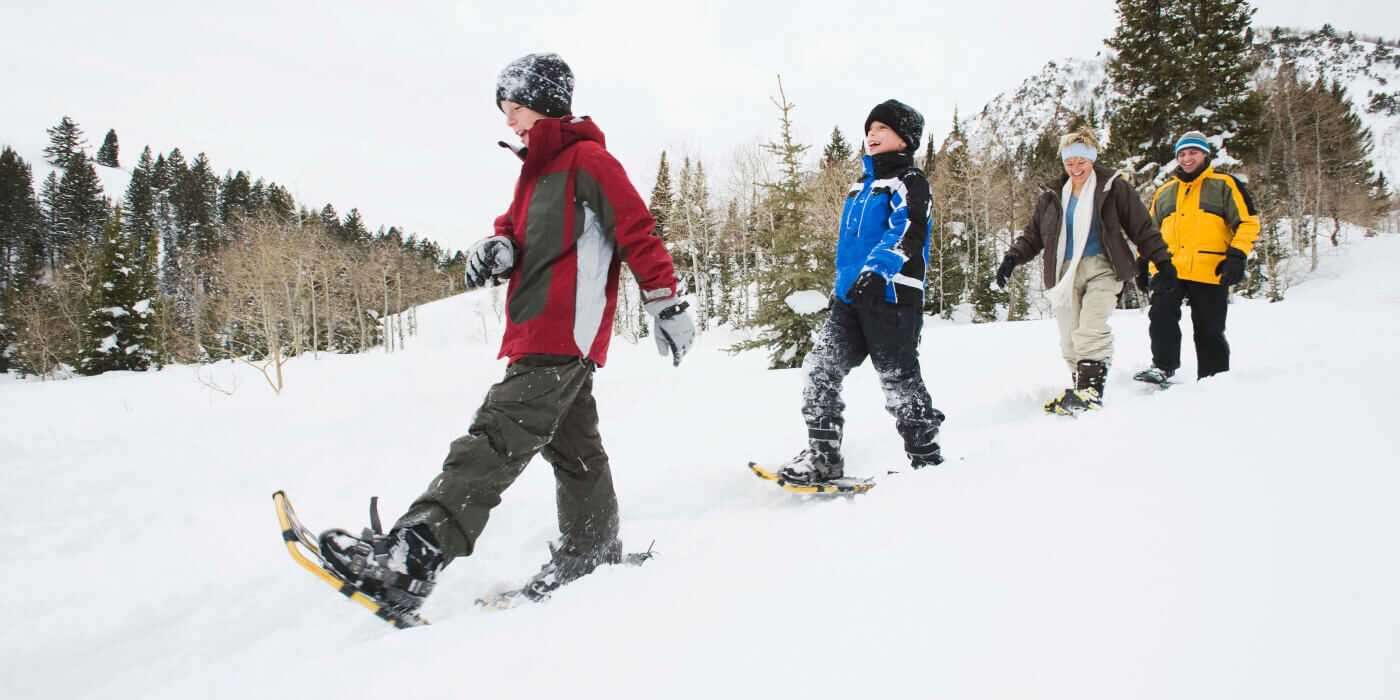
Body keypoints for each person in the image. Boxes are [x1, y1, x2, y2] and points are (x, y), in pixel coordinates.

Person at [317, 53, 696, 613]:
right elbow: (513, 230)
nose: (510, 122)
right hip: (535, 325)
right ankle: (590, 552)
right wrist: (498, 247)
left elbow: (636, 230)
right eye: (505, 113)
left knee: (495, 437)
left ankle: (411, 559)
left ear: (544, 104)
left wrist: (666, 301)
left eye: (515, 109)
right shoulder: (533, 175)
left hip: (562, 330)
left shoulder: (590, 161)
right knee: (576, 451)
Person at [777, 99, 944, 485]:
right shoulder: (861, 186)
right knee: (820, 368)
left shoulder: (910, 182)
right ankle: (823, 457)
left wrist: (878, 269)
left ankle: (928, 460)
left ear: (905, 138)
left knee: (898, 380)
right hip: (850, 297)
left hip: (891, 296)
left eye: (882, 128)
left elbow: (909, 228)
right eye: (870, 128)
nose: (872, 134)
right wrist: (843, 287)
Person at [996, 126, 1175, 415]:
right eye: (1069, 163)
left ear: (1092, 159)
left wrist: (1162, 262)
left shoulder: (1113, 187)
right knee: (1069, 338)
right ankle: (1081, 390)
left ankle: (1090, 393)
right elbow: (1033, 235)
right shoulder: (1052, 196)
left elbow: (1142, 227)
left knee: (1091, 328)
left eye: (1081, 162)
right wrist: (1011, 259)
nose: (1075, 168)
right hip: (1064, 273)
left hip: (1103, 267)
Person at [1136, 130, 1259, 383]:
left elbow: (1248, 222)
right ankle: (1163, 366)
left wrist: (1237, 256)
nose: (1187, 158)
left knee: (1209, 327)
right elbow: (1150, 231)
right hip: (1171, 269)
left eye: (1193, 152)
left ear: (1205, 154)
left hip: (1210, 267)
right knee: (1160, 315)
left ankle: (1213, 377)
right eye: (1182, 154)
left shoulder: (1225, 185)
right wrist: (1143, 262)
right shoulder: (1165, 192)